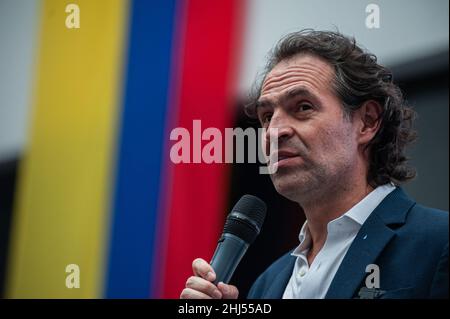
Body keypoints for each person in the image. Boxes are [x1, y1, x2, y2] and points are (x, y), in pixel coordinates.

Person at [179, 30, 449, 299]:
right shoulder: (267, 284)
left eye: (303, 107)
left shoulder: (438, 243)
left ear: (367, 121)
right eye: (266, 117)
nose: (274, 131)